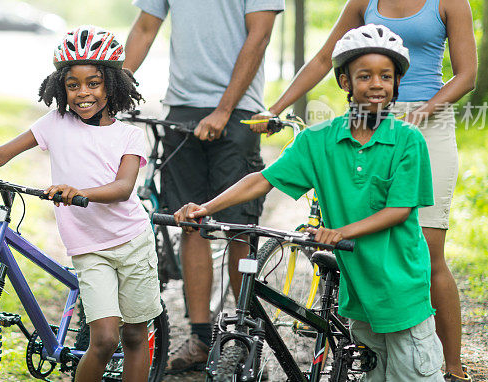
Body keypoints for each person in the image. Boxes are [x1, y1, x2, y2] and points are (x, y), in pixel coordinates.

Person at [252, 0, 475, 382]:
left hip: (424, 128)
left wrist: (423, 110)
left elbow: (468, 72)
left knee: (426, 250)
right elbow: (322, 60)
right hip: (369, 119)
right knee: (364, 237)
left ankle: (450, 366)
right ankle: (375, 344)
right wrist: (277, 107)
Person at [177, 24, 445, 381]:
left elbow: (399, 211)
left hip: (401, 292)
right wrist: (205, 208)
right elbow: (262, 180)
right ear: (345, 83)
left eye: (386, 76)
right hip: (359, 295)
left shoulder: (408, 141)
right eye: (365, 76)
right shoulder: (318, 141)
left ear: (397, 83)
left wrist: (339, 232)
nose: (377, 84)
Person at [0, 26, 162, 382]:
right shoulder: (55, 123)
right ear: (60, 87)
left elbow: (123, 188)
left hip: (132, 242)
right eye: (73, 85)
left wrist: (79, 192)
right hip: (90, 248)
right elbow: (3, 152)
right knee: (105, 340)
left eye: (94, 83)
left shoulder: (128, 135)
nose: (83, 93)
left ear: (112, 84)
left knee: (134, 335)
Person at [123, 0, 285, 373]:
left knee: (238, 227)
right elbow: (147, 25)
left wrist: (223, 108)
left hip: (237, 113)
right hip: (183, 109)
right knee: (190, 223)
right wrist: (116, 87)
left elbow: (258, 36)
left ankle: (239, 337)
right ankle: (198, 337)